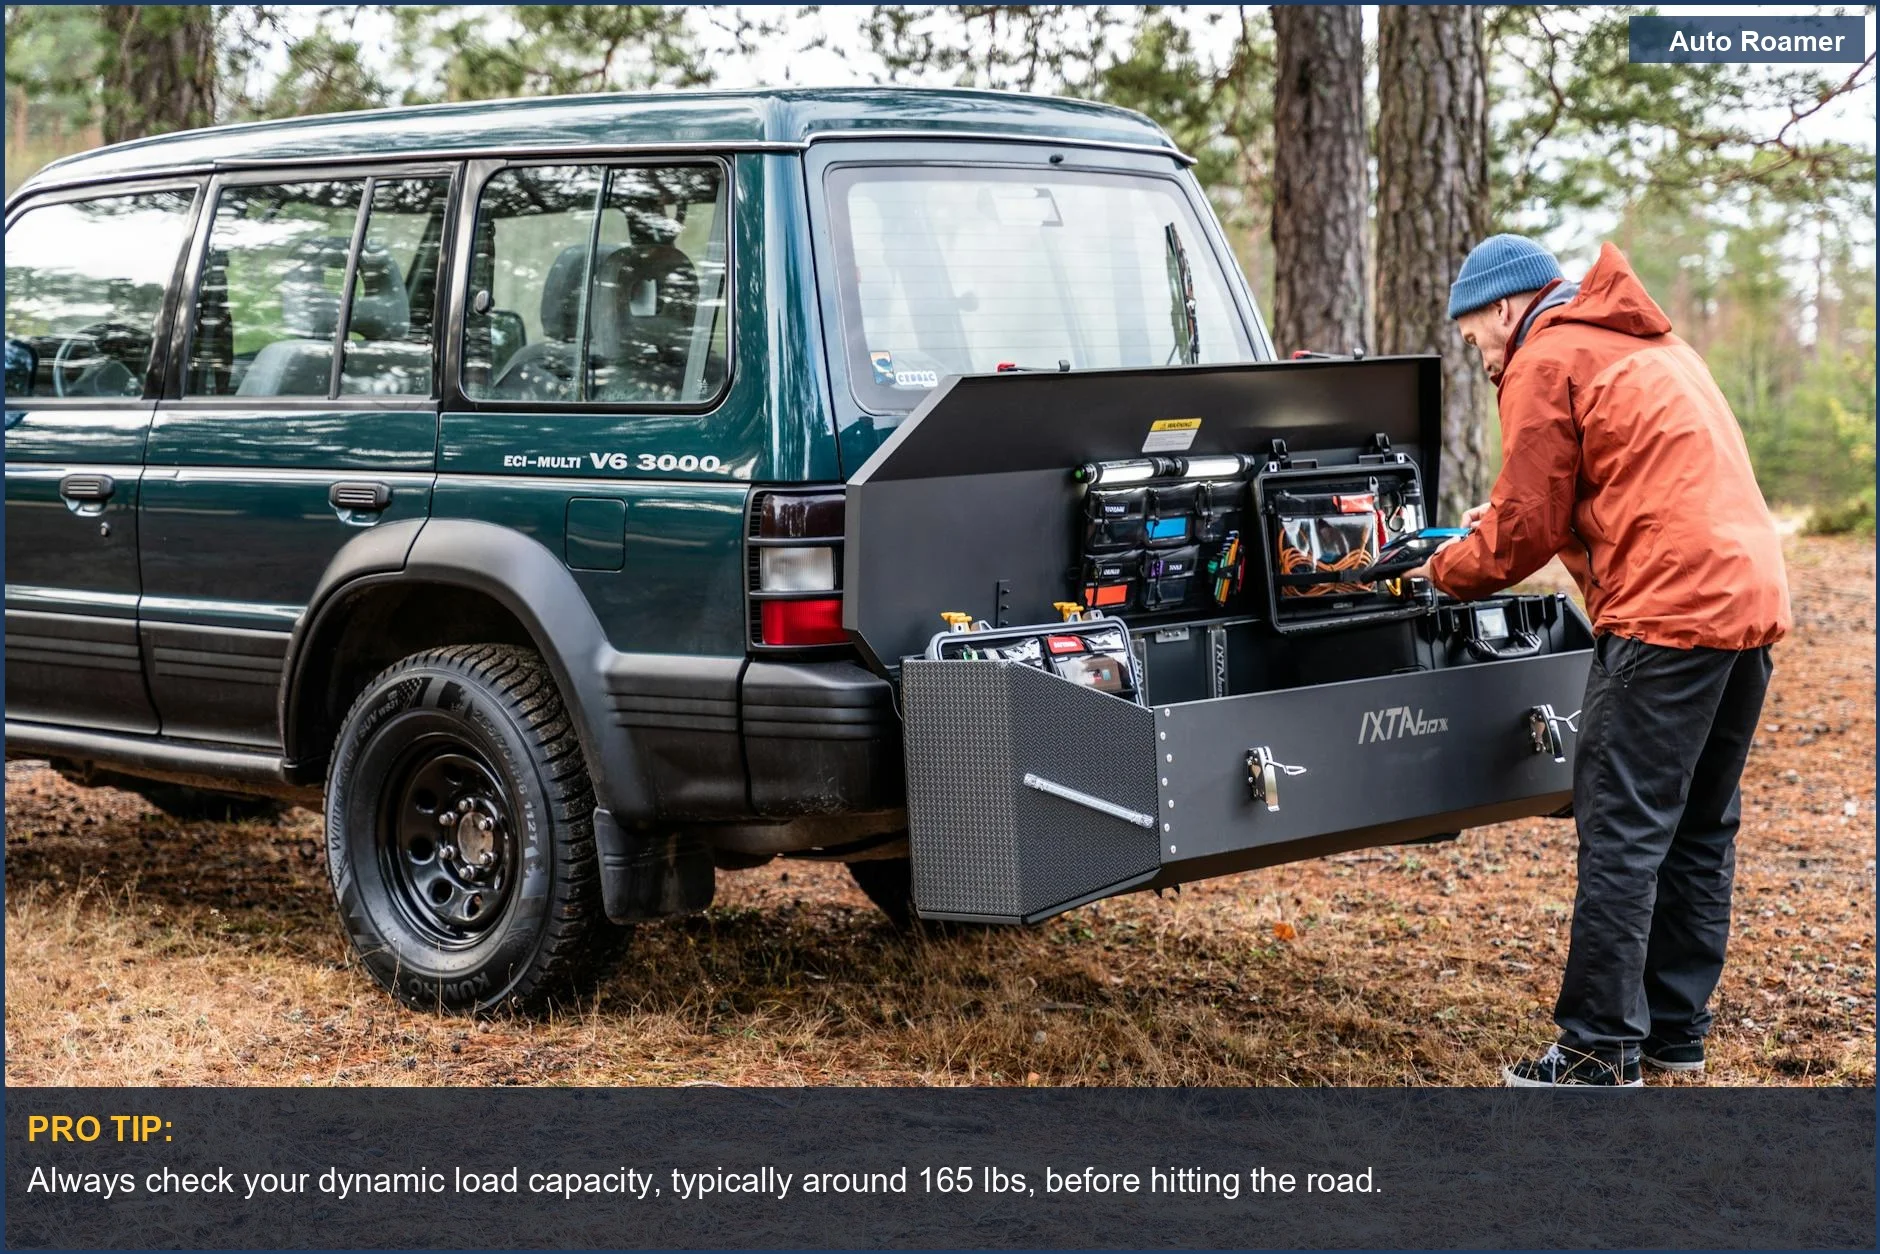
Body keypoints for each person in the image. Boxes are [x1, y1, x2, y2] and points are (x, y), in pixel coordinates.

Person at [1407, 234, 1791, 1087]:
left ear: (1504, 307)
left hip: (1667, 612)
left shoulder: (1546, 355)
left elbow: (1523, 536)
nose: (1476, 353)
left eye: (1473, 336)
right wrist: (1505, 517)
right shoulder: (1645, 340)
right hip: (1749, 596)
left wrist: (1439, 569)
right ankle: (1674, 1036)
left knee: (1621, 828)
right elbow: (1623, 479)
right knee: (1697, 825)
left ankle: (1595, 1051)